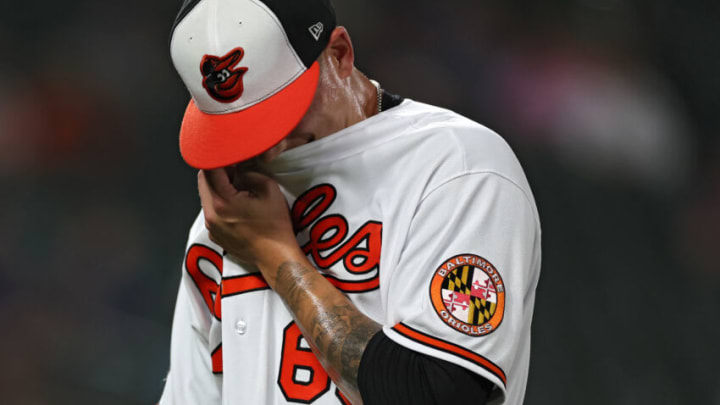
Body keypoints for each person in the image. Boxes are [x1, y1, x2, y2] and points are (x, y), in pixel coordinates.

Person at [159, 0, 541, 404]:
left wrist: (272, 253)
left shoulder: (456, 167)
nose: (269, 148)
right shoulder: (223, 219)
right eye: (242, 129)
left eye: (280, 115)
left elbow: (436, 393)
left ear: (339, 54)